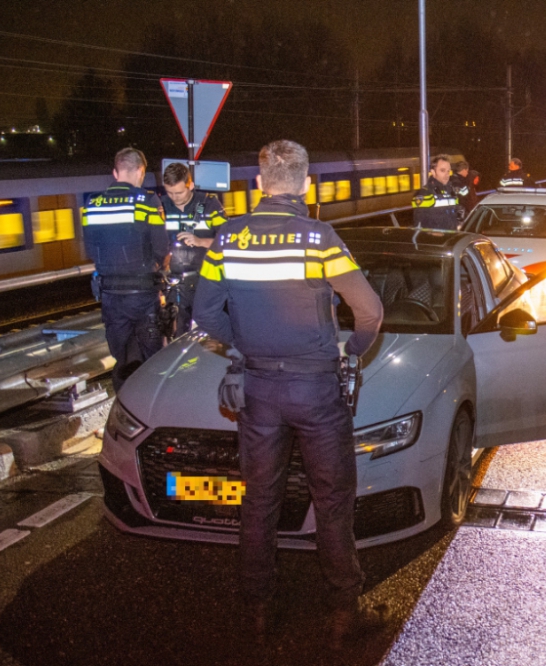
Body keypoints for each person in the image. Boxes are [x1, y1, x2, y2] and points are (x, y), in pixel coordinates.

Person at [193, 140, 385, 648]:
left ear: (259, 183)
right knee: (332, 500)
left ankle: (256, 611)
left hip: (258, 388)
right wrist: (352, 353)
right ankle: (344, 614)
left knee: (259, 499)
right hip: (316, 389)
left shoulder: (226, 239)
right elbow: (369, 313)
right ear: (305, 185)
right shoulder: (319, 239)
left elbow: (206, 314)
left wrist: (244, 345)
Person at [81, 147, 168, 390]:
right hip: (143, 295)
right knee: (152, 358)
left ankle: (124, 404)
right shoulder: (148, 201)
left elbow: (89, 248)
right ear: (141, 171)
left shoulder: (92, 203)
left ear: (115, 172)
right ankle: (151, 410)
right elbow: (161, 247)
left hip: (109, 295)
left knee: (122, 357)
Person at [159, 162, 228, 336]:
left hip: (204, 282)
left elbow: (227, 242)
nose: (174, 198)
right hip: (174, 285)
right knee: (176, 335)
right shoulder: (161, 205)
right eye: (170, 192)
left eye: (179, 192)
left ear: (190, 185)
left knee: (208, 334)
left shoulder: (209, 204)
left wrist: (200, 241)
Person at [411, 154, 462, 230]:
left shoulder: (451, 191)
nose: (447, 174)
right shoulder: (424, 194)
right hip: (435, 240)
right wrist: (431, 234)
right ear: (433, 172)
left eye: (448, 171)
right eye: (442, 170)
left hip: (450, 238)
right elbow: (419, 225)